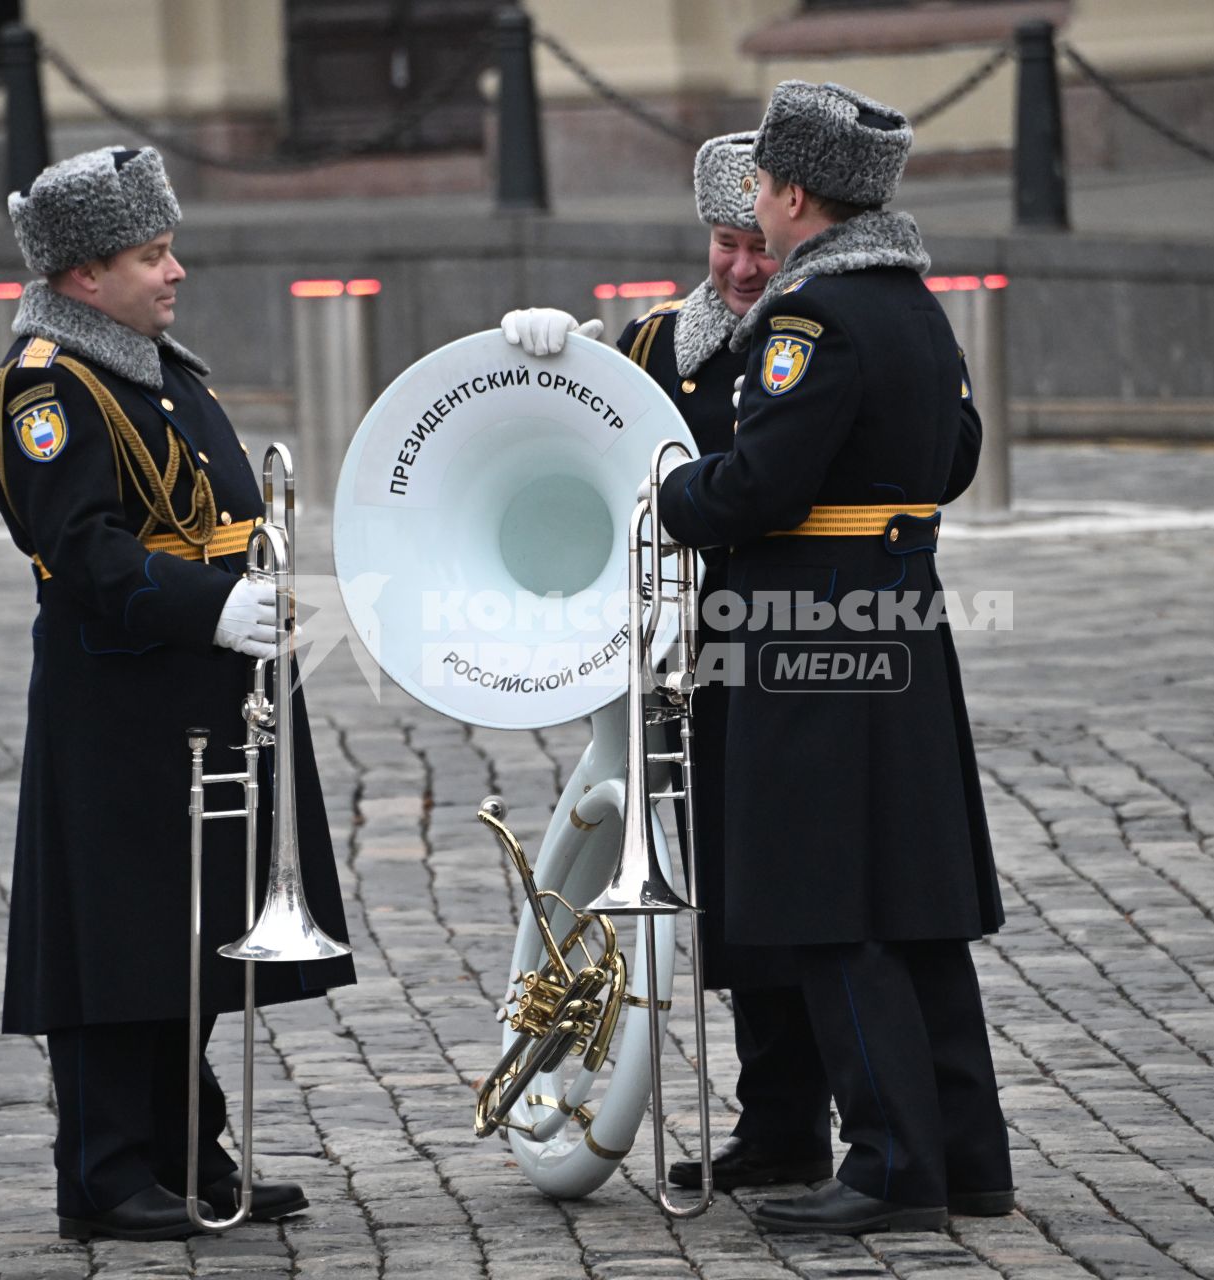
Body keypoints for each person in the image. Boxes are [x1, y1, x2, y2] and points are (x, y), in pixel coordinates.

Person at [0, 145, 357, 1243]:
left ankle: (191, 1149)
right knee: (116, 937)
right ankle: (104, 1170)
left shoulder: (145, 361)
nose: (175, 269)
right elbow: (85, 551)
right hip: (120, 700)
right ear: (85, 274)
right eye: (152, 254)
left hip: (204, 691)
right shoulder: (48, 385)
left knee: (188, 933)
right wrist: (208, 609)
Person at [653, 81, 1012, 1234]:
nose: (755, 208)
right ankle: (969, 1156)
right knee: (916, 900)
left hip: (803, 637)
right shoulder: (911, 300)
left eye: (760, 187)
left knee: (828, 902)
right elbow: (954, 455)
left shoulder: (813, 316)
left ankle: (895, 1164)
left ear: (797, 194)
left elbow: (759, 483)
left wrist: (668, 495)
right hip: (901, 619)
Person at [500, 133, 837, 1194]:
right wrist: (544, 352)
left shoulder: (819, 332)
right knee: (733, 906)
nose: (743, 267)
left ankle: (812, 1114)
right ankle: (775, 1121)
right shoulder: (657, 344)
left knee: (799, 897)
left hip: (795, 649)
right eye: (726, 244)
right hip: (686, 672)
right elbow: (563, 443)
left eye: (758, 244)